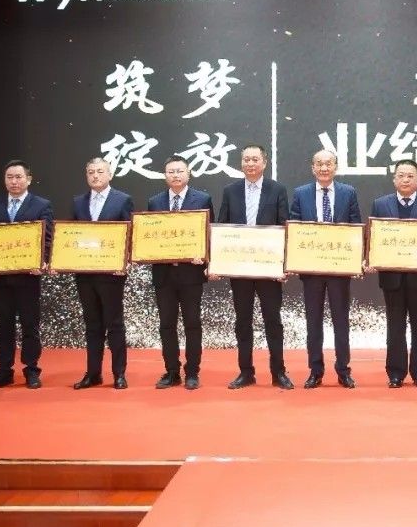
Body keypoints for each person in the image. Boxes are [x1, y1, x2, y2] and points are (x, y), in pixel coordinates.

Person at [216, 145, 294, 390]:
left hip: (268, 269)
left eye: (255, 159)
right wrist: (219, 262)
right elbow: (222, 227)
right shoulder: (230, 191)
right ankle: (246, 372)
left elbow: (285, 226)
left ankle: (278, 372)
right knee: (243, 321)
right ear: (241, 163)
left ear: (264, 163)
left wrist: (284, 264)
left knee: (273, 321)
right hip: (240, 269)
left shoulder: (277, 189)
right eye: (246, 159)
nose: (250, 163)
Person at [368, 159, 417, 389]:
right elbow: (374, 238)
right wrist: (371, 258)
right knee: (395, 326)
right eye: (401, 175)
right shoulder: (380, 204)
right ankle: (396, 373)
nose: (405, 179)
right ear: (394, 179)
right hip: (391, 277)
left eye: (410, 176)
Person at [289, 149, 362, 389]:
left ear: (335, 167)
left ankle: (343, 370)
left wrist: (356, 260)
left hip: (339, 269)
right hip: (312, 270)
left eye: (328, 163)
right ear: (313, 168)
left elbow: (355, 227)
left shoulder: (348, 192)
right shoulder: (301, 194)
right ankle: (315, 371)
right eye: (319, 164)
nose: (323, 168)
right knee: (313, 323)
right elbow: (294, 228)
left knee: (341, 321)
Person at [0, 160, 54, 389]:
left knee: (30, 326)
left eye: (18, 177)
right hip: (0, 279)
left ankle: (31, 370)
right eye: (9, 177)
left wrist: (42, 262)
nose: (14, 182)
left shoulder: (41, 205)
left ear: (28, 179)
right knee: (4, 326)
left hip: (28, 277)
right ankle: (4, 371)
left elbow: (48, 239)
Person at [147, 156, 213, 390]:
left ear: (188, 173)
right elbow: (149, 237)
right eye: (171, 171)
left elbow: (209, 235)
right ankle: (171, 371)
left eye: (179, 171)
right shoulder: (154, 202)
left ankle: (192, 372)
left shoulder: (202, 199)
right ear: (165, 175)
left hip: (191, 274)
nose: (175, 175)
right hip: (163, 274)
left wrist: (204, 255)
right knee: (166, 325)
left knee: (192, 324)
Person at [69, 158, 134, 390]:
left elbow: (130, 234)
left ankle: (119, 374)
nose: (95, 176)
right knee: (92, 325)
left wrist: (124, 261)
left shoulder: (122, 200)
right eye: (90, 172)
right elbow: (70, 235)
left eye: (100, 171)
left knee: (114, 324)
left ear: (110, 174)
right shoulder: (78, 202)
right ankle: (93, 373)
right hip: (85, 274)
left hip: (111, 274)